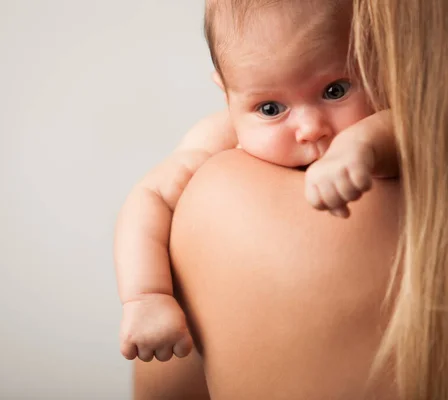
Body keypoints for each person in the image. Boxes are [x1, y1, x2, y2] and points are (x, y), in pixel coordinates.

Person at [134, 0, 448, 398]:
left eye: (335, 91)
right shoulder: (215, 139)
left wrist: (360, 144)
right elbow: (150, 196)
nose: (310, 129)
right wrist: (145, 295)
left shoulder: (218, 196)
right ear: (227, 94)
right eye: (270, 109)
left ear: (375, 57)